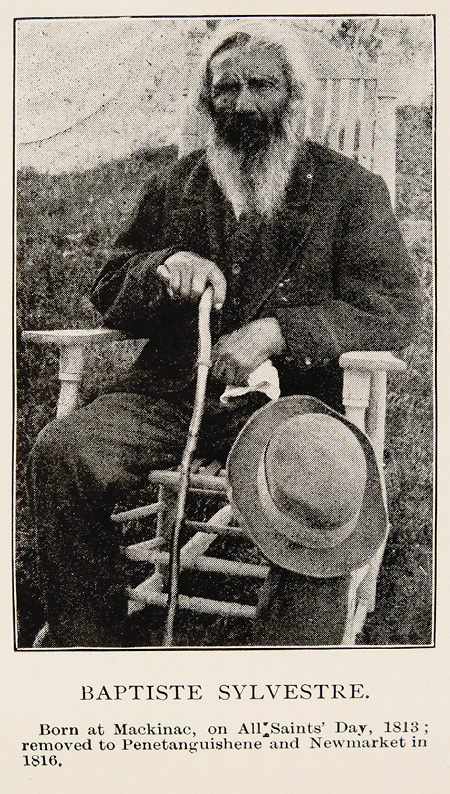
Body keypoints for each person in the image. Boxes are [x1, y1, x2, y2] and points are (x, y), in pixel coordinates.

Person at [28, 19, 420, 647]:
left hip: (293, 398)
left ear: (291, 96)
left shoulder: (345, 191)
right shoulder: (179, 185)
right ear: (208, 100)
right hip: (173, 392)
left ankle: (290, 658)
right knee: (64, 452)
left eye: (260, 87)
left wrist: (282, 330)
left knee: (320, 478)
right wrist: (162, 267)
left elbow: (395, 307)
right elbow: (110, 288)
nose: (242, 104)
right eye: (227, 89)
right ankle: (86, 644)